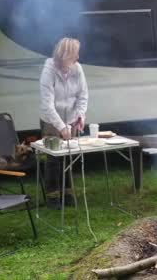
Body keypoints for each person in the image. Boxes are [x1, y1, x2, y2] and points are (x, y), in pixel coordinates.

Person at [39, 37, 88, 208]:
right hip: (51, 121)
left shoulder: (77, 68)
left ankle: (67, 193)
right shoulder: (49, 70)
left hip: (71, 119)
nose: (77, 58)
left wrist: (80, 116)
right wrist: (60, 127)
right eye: (75, 54)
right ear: (64, 55)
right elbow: (47, 105)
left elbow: (83, 95)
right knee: (53, 159)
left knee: (68, 157)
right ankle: (52, 196)